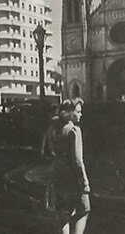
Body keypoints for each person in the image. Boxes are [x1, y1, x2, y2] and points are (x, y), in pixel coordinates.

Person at [52, 98, 90, 234]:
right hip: (73, 178)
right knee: (84, 210)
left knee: (63, 213)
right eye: (78, 112)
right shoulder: (74, 130)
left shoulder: (57, 129)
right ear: (70, 113)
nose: (81, 114)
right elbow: (78, 160)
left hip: (58, 175)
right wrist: (84, 182)